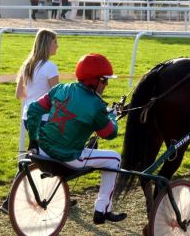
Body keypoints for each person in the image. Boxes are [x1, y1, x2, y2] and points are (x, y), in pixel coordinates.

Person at [26, 53, 127, 225]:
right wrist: (112, 115)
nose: (106, 84)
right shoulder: (97, 105)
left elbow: (34, 110)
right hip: (70, 157)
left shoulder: (60, 89)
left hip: (42, 149)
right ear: (94, 80)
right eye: (104, 80)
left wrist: (33, 140)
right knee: (115, 159)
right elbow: (109, 134)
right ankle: (103, 209)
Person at [0, 29, 60, 214]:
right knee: (46, 158)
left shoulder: (27, 65)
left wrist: (33, 97)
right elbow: (57, 97)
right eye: (55, 42)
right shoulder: (50, 67)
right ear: (47, 44)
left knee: (43, 157)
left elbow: (19, 95)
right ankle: (10, 201)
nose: (57, 45)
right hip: (44, 119)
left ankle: (57, 195)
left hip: (28, 117)